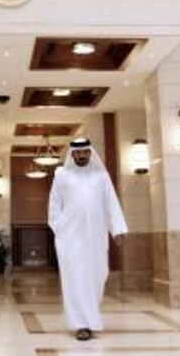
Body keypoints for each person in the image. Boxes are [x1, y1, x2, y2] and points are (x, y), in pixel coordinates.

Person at [47, 138, 128, 341]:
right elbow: (54, 205)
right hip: (70, 238)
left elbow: (111, 203)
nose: (82, 156)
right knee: (74, 278)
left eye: (85, 152)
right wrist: (59, 227)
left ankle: (91, 318)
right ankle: (81, 324)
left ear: (90, 153)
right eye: (78, 152)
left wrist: (117, 228)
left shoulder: (100, 175)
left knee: (97, 275)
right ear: (72, 154)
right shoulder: (62, 175)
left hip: (96, 236)